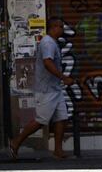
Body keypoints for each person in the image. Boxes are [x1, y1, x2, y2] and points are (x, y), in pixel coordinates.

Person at [9, 17, 74, 159]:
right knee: (41, 121)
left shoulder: (52, 42)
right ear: (54, 27)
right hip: (46, 90)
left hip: (54, 89)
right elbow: (47, 63)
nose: (62, 30)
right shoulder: (47, 43)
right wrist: (64, 77)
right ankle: (16, 142)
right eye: (61, 27)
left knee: (61, 118)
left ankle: (58, 150)